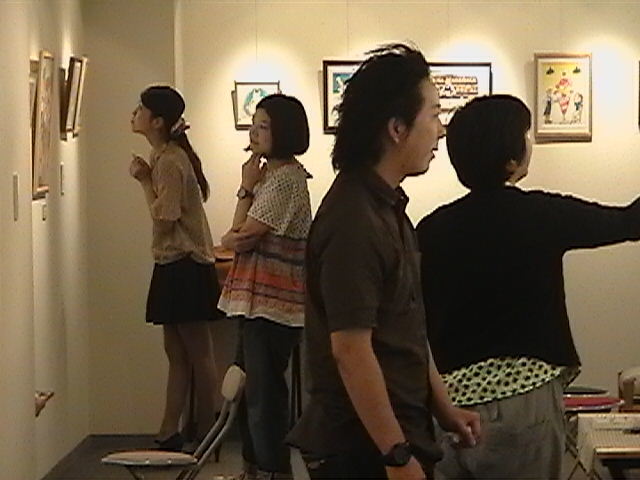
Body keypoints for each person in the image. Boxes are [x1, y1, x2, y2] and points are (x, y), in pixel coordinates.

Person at [416, 94, 640, 479]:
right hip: (524, 403)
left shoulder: (430, 229)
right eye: (525, 133)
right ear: (510, 158)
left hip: (450, 407)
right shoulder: (540, 214)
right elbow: (627, 222)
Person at [287, 43, 481, 480]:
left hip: (396, 434)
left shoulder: (386, 207)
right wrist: (395, 455)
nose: (440, 130)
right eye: (434, 115)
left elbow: (406, 328)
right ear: (396, 128)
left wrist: (444, 408)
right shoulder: (354, 219)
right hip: (363, 449)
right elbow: (351, 350)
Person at [218, 93, 312, 480]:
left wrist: (244, 189)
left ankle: (273, 470)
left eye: (264, 126)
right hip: (256, 303)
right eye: (253, 124)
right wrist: (248, 188)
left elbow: (238, 237)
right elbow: (236, 235)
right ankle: (253, 468)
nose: (254, 133)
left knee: (264, 395)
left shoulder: (286, 178)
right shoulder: (270, 176)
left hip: (274, 306)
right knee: (246, 390)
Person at [130, 85, 221, 452]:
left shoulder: (169, 160)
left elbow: (164, 217)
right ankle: (171, 429)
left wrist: (143, 181)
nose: (134, 114)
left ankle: (209, 430)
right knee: (178, 352)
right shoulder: (165, 156)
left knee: (197, 352)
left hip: (185, 264)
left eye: (141, 109)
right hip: (174, 263)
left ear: (157, 121)